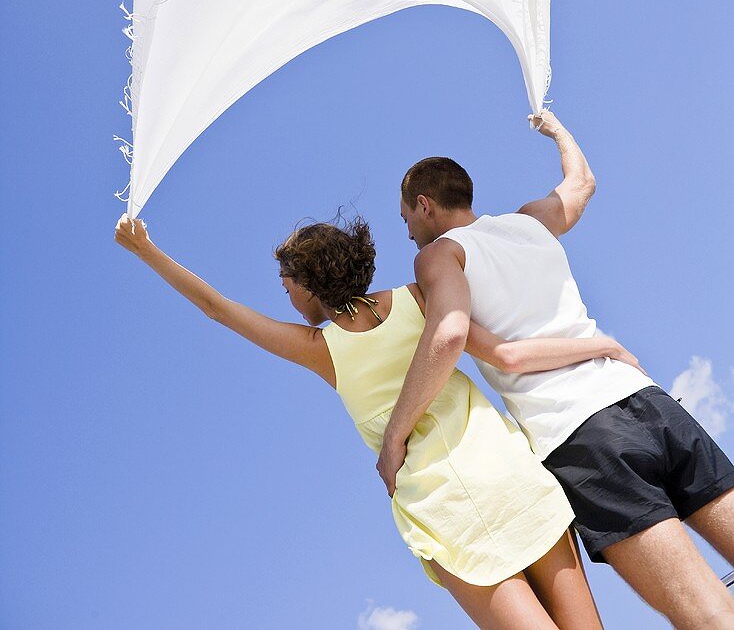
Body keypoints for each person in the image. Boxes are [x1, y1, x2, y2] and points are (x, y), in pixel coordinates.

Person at [113, 211, 629, 628]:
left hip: (445, 509)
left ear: (310, 283)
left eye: (287, 282)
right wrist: (598, 345)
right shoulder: (420, 299)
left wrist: (147, 251)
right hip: (509, 476)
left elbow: (217, 308)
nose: (286, 295)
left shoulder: (320, 348)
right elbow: (507, 354)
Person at [384, 110, 734, 629]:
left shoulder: (440, 255)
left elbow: (452, 332)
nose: (408, 230)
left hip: (579, 435)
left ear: (425, 204)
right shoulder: (529, 223)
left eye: (406, 217)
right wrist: (556, 130)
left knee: (709, 616)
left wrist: (395, 438)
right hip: (645, 401)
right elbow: (582, 183)